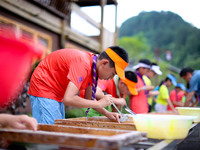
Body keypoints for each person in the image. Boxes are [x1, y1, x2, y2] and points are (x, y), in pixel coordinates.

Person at [28, 46, 129, 124]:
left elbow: (89, 100)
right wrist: (99, 103)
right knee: (50, 131)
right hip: (44, 86)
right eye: (113, 73)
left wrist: (107, 113)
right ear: (104, 63)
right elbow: (69, 99)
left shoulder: (93, 68)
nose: (111, 78)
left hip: (57, 92)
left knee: (58, 127)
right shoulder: (83, 64)